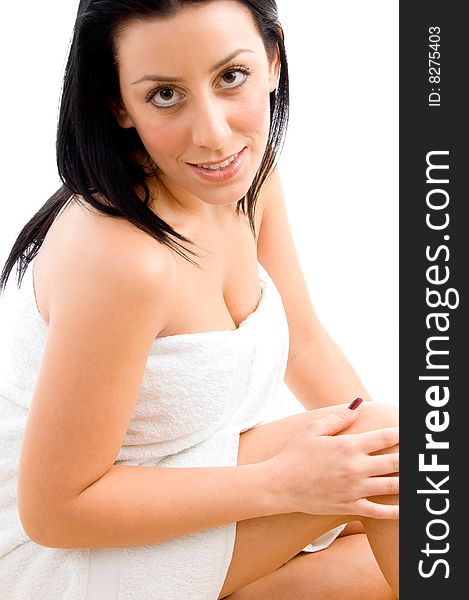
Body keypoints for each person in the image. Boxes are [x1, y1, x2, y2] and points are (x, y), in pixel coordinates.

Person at [0, 1, 399, 598]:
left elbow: (306, 342)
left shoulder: (247, 180)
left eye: (230, 77)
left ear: (272, 61)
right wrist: (284, 485)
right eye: (165, 94)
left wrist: (386, 464)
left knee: (392, 495)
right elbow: (56, 512)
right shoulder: (124, 259)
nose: (212, 134)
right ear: (118, 103)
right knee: (389, 466)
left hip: (192, 488)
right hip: (72, 555)